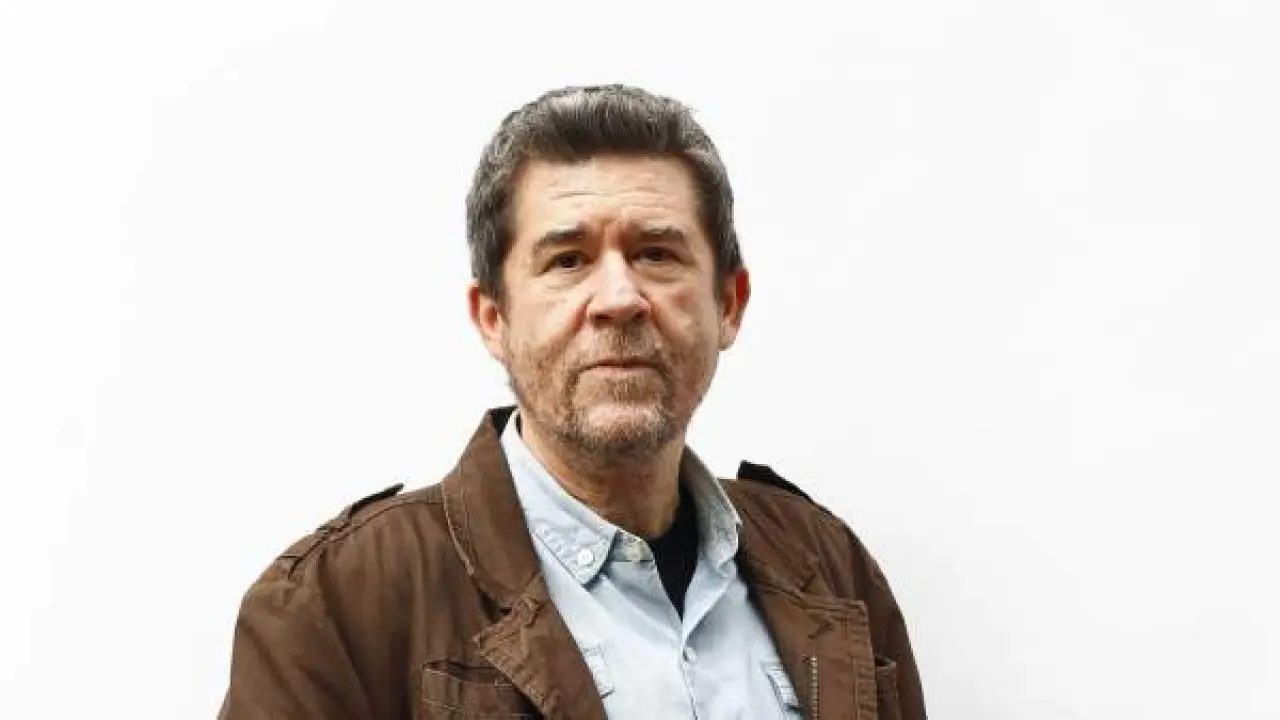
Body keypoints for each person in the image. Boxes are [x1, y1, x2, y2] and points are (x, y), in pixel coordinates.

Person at [219, 84, 926, 719]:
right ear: (492, 318)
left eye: (656, 253)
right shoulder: (338, 605)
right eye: (567, 260)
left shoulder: (830, 567)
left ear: (729, 305)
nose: (618, 298)